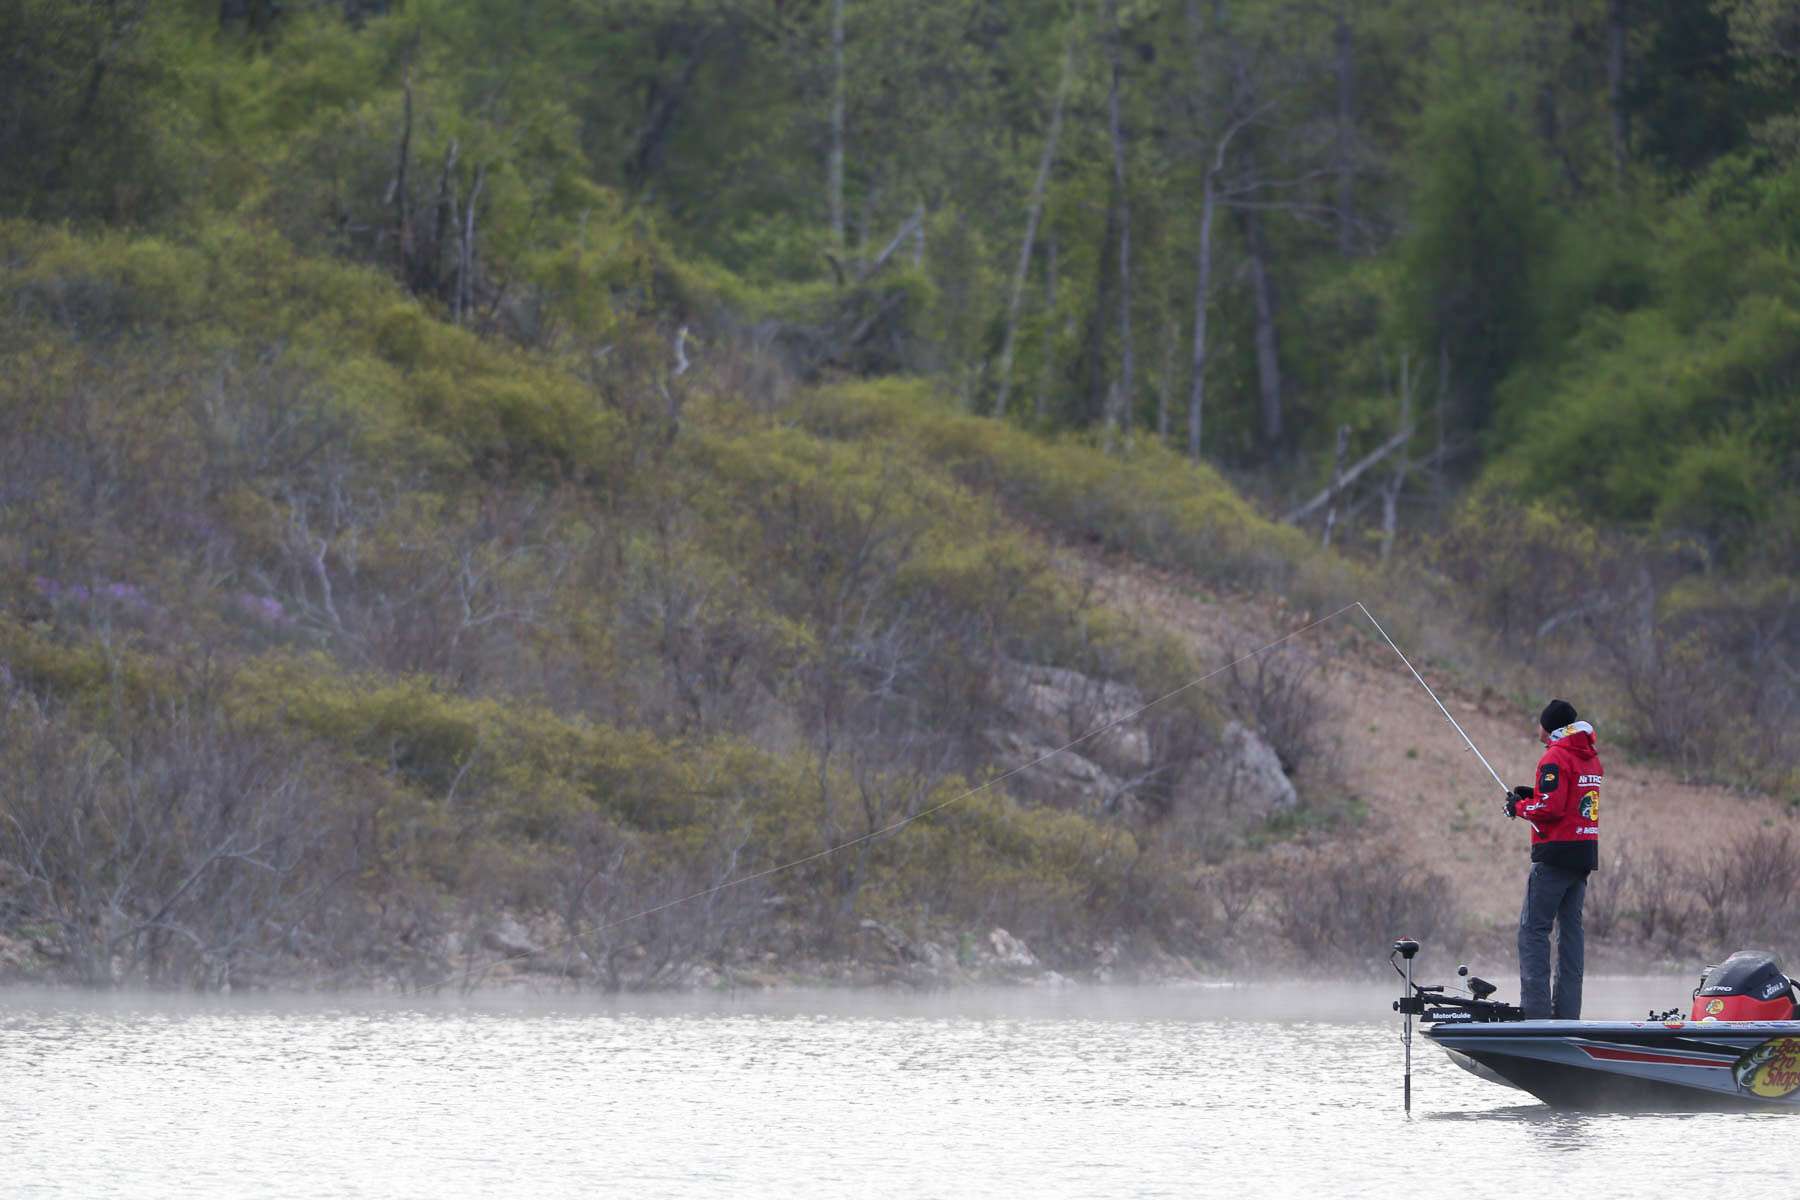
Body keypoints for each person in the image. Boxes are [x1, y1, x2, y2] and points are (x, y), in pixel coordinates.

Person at [1504, 698, 1602, 1020]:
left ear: (1549, 727)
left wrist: (1518, 808)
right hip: (1582, 856)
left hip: (1555, 857)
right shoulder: (1589, 758)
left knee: (1532, 931)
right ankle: (1567, 1016)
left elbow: (1551, 809)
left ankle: (1535, 1016)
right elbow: (1568, 802)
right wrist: (1532, 796)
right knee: (1571, 934)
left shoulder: (1555, 757)